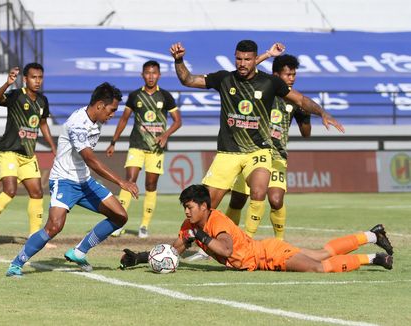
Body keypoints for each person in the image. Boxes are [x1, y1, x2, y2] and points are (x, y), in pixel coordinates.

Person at [169, 40, 344, 242]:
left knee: (259, 191)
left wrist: (322, 112)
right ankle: (184, 245)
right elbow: (188, 80)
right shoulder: (224, 79)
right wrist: (179, 60)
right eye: (239, 59)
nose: (242, 63)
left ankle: (247, 242)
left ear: (255, 59)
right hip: (229, 152)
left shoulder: (270, 82)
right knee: (206, 205)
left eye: (247, 59)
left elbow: (301, 100)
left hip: (258, 151)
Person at [6, 82, 139, 277]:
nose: (113, 115)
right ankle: (16, 264)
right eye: (112, 110)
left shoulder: (96, 120)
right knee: (54, 227)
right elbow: (90, 159)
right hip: (64, 181)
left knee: (120, 216)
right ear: (100, 105)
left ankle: (78, 252)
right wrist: (122, 182)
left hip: (84, 181)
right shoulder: (78, 124)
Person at [119, 185, 394, 273]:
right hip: (263, 255)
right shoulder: (189, 225)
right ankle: (372, 237)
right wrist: (142, 258)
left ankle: (372, 256)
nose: (186, 211)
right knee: (321, 254)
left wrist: (199, 236)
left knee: (319, 267)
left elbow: (225, 248)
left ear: (204, 206)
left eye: (190, 206)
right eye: (185, 207)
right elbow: (175, 250)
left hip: (268, 254)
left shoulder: (217, 222)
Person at [226, 54, 311, 239]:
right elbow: (248, 68)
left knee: (275, 199)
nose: (292, 78)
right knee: (238, 199)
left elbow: (306, 134)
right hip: (252, 152)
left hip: (277, 156)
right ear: (275, 75)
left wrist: (306, 117)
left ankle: (279, 243)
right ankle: (226, 238)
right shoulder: (265, 89)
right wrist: (268, 54)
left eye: (294, 74)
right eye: (287, 74)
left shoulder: (296, 100)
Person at [0, 63, 57, 247]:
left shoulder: (42, 101)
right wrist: (7, 84)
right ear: (25, 78)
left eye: (40, 77)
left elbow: (43, 124)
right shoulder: (16, 95)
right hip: (9, 151)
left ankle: (35, 237)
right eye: (33, 77)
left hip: (28, 155)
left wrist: (53, 147)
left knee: (37, 193)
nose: (37, 81)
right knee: (10, 190)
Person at [106, 60, 182, 238]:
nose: (150, 76)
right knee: (129, 181)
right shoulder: (134, 96)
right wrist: (113, 142)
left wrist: (165, 135)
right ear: (142, 75)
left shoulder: (165, 96)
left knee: (150, 185)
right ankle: (119, 222)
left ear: (159, 75)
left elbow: (178, 121)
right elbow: (124, 119)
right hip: (136, 146)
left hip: (155, 149)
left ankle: (144, 225)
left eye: (154, 73)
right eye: (147, 73)